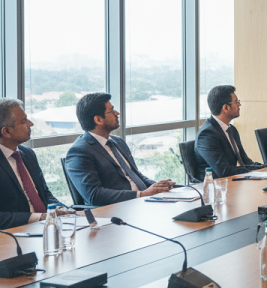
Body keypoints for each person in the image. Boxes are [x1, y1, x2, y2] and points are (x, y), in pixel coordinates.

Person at [65, 93, 173, 207]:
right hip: (118, 211)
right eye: (111, 110)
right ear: (98, 120)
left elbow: (135, 175)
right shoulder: (79, 152)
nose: (117, 113)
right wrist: (141, 194)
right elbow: (94, 195)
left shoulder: (118, 142)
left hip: (144, 203)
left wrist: (160, 186)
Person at [0, 98, 64, 229]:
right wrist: (39, 217)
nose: (31, 124)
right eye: (24, 121)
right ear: (6, 131)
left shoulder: (27, 153)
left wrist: (61, 209)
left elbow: (44, 194)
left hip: (45, 227)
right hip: (16, 234)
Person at [195, 85, 264, 178]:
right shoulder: (207, 135)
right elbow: (224, 171)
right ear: (226, 108)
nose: (239, 104)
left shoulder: (231, 129)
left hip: (232, 183)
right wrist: (252, 170)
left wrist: (266, 168)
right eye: (236, 101)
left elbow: (245, 161)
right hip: (215, 187)